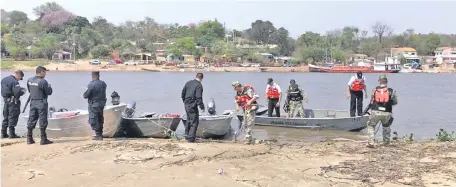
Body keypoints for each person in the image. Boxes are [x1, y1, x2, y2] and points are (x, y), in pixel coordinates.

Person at [366, 74, 398, 148]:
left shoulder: (374, 90)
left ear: (379, 81)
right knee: (386, 126)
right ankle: (386, 142)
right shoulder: (392, 91)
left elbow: (371, 101)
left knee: (371, 125)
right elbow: (395, 102)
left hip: (375, 112)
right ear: (386, 81)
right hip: (387, 112)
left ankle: (371, 142)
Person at [26, 66, 53, 145]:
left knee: (31, 119)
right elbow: (49, 92)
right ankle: (43, 139)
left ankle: (29, 138)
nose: (45, 74)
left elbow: (29, 90)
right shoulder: (43, 81)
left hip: (33, 101)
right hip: (41, 102)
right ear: (41, 72)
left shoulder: (29, 80)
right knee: (43, 120)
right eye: (44, 72)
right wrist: (50, 87)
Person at [83, 71, 107, 141]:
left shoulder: (92, 84)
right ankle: (100, 134)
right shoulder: (103, 84)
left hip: (94, 104)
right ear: (98, 75)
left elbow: (86, 95)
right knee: (100, 119)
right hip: (102, 104)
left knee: (93, 119)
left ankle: (98, 135)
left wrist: (85, 94)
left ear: (93, 76)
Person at [1, 70, 26, 138]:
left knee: (6, 117)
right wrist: (23, 91)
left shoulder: (4, 79)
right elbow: (17, 93)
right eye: (20, 78)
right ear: (18, 75)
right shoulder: (15, 82)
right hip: (13, 102)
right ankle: (12, 134)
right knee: (13, 117)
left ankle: (3, 133)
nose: (19, 79)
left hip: (6, 101)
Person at [181, 73, 204, 143]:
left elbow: (183, 93)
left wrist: (184, 101)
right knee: (194, 121)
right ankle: (191, 138)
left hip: (186, 104)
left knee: (188, 119)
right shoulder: (199, 85)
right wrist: (201, 106)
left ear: (196, 77)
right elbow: (198, 97)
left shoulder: (188, 82)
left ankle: (187, 135)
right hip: (192, 105)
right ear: (201, 79)